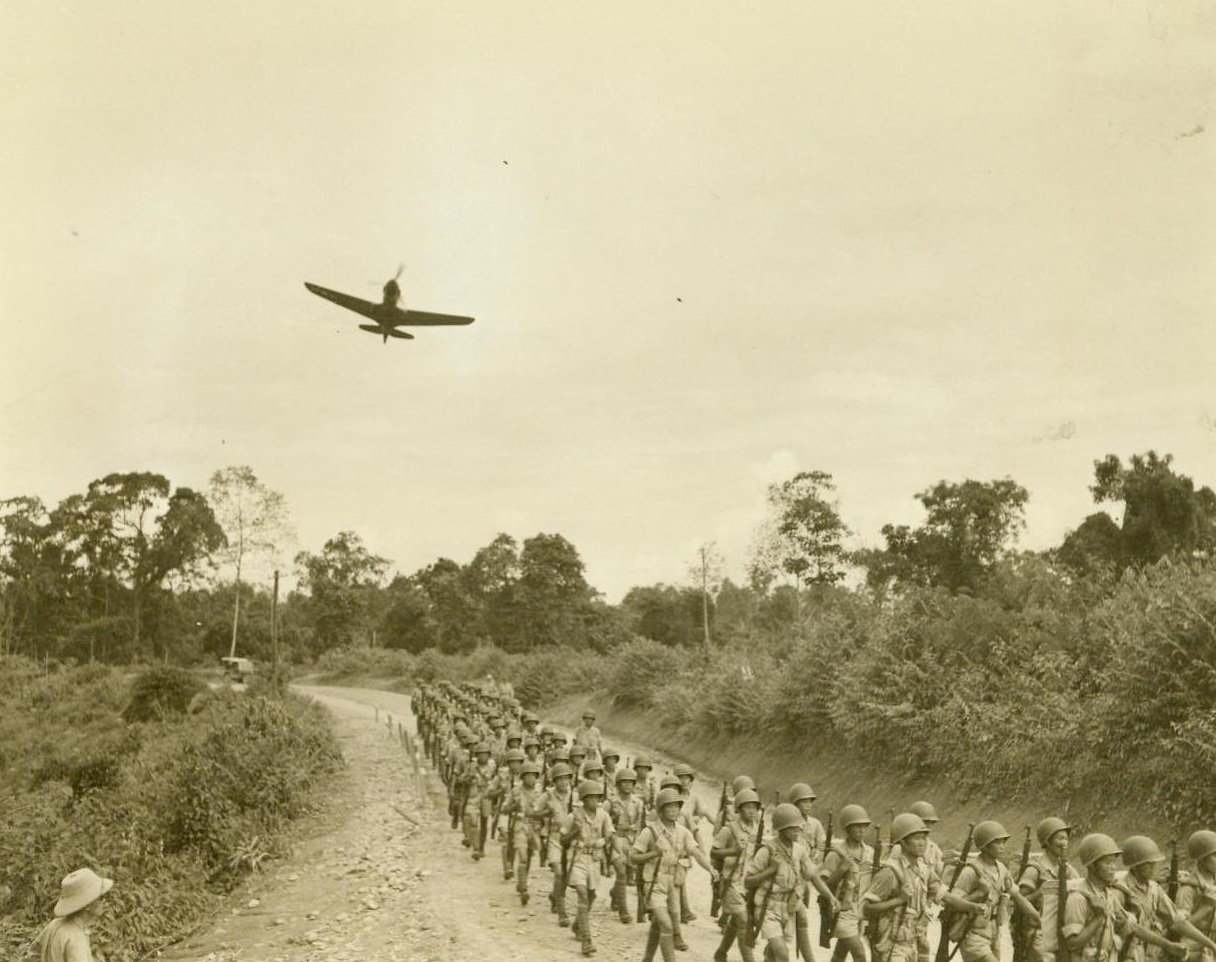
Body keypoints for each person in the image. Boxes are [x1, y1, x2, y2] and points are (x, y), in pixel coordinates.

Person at [631, 787, 720, 962]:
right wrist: (652, 854)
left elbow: (696, 852)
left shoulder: (683, 831)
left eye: (676, 806)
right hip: (654, 882)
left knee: (659, 925)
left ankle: (647, 959)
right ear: (661, 809)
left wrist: (710, 869)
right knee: (666, 924)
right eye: (668, 807)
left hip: (673, 883)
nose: (673, 810)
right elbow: (633, 856)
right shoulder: (650, 831)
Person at [1063, 834, 1183, 962]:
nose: (1113, 868)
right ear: (1092, 866)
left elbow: (1133, 926)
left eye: (1114, 862)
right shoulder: (1078, 898)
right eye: (1108, 862)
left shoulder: (1107, 894)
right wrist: (1098, 918)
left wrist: (1168, 945)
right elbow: (1072, 944)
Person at [746, 802, 839, 962]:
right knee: (782, 954)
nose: (797, 831)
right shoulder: (767, 851)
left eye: (799, 827)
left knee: (772, 955)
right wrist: (771, 869)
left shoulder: (799, 851)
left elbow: (813, 877)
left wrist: (830, 896)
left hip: (789, 908)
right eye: (792, 828)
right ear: (781, 829)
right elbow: (748, 882)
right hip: (768, 908)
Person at [943, 821, 1040, 962]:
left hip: (994, 932)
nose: (1002, 847)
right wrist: (979, 894)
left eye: (1003, 842)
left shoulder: (1001, 869)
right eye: (997, 843)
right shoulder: (971, 871)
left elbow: (1018, 897)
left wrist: (1037, 917)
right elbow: (953, 903)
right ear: (985, 846)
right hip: (972, 932)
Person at [1119, 835, 1211, 962]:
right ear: (1134, 866)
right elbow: (1134, 928)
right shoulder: (1120, 890)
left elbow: (1177, 921)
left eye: (1154, 863)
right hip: (1121, 954)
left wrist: (1210, 944)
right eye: (1147, 864)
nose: (1153, 867)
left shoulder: (1154, 888)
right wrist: (1168, 945)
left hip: (1146, 955)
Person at [864, 813, 940, 962]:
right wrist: (900, 900)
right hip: (892, 945)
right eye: (917, 838)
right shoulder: (890, 872)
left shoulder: (923, 870)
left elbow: (942, 894)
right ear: (903, 843)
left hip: (913, 942)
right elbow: (867, 908)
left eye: (924, 837)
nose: (923, 842)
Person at [560, 779, 615, 956]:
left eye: (596, 797)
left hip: (595, 860)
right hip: (578, 859)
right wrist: (575, 832)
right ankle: (587, 941)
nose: (594, 801)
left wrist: (605, 842)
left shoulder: (603, 816)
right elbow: (562, 840)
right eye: (590, 798)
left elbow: (610, 835)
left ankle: (578, 925)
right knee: (583, 895)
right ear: (583, 799)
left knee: (591, 895)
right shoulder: (573, 816)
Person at [1018, 817, 1080, 962]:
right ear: (1047, 841)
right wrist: (1040, 892)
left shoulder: (1066, 868)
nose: (1064, 843)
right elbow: (1021, 901)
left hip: (1060, 928)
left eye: (1066, 839)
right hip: (1039, 932)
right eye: (1060, 838)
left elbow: (1080, 886)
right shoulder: (1035, 869)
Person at [823, 804, 876, 962]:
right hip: (841, 912)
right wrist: (841, 870)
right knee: (860, 954)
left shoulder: (870, 853)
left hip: (860, 911)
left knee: (840, 953)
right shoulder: (836, 854)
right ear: (847, 829)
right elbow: (824, 885)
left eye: (864, 826)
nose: (861, 830)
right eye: (856, 827)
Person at [33, 868, 113, 962]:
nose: (105, 902)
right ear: (87, 905)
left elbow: (31, 957)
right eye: (101, 898)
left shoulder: (54, 924)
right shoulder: (76, 940)